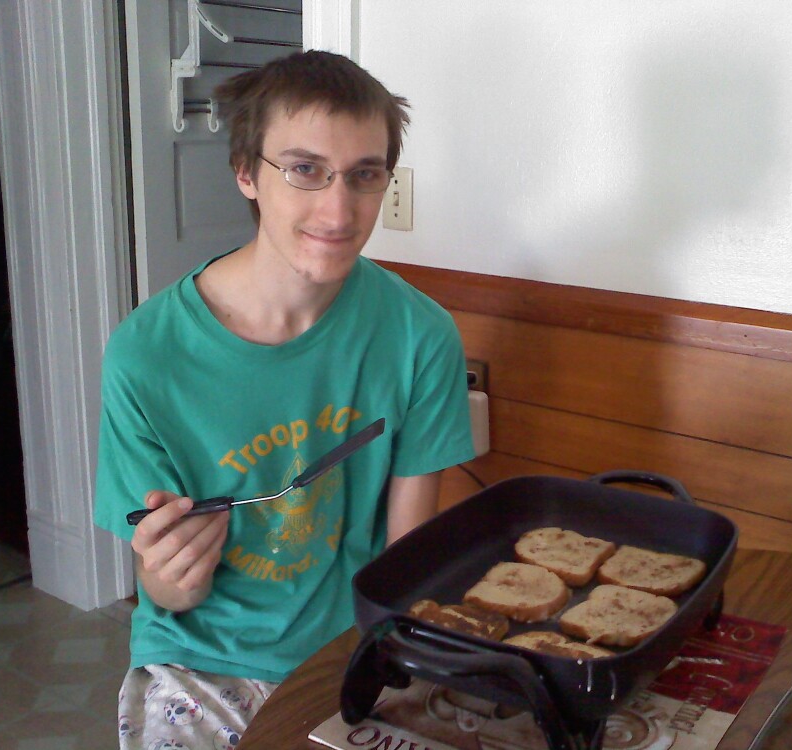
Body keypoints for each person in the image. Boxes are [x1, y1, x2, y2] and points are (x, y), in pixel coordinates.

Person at [94, 50, 474, 749]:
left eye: (364, 175)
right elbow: (168, 595)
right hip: (200, 664)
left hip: (353, 650)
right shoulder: (147, 356)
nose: (338, 209)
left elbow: (407, 558)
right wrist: (171, 574)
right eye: (304, 169)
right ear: (246, 172)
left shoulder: (421, 336)